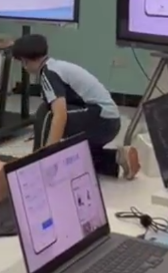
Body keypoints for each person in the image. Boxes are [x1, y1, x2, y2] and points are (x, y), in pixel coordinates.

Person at [10, 34, 139, 179]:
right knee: (72, 159)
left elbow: (60, 115)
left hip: (102, 120)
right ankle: (118, 157)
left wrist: (48, 155)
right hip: (108, 121)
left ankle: (38, 164)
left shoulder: (48, 74)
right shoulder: (56, 67)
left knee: (46, 114)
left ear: (25, 61)